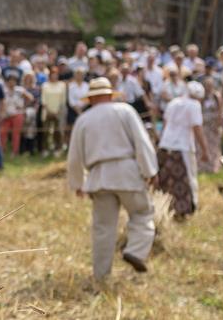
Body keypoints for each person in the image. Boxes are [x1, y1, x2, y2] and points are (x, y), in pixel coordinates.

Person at [66, 76, 157, 281]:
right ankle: (135, 251)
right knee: (142, 213)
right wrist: (150, 170)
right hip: (127, 174)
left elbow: (74, 156)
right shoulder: (125, 111)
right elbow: (142, 143)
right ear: (110, 95)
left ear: (91, 98)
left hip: (99, 177)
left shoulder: (83, 120)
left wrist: (77, 183)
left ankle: (101, 275)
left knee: (103, 228)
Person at [155, 80, 210, 220]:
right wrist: (205, 150)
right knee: (188, 178)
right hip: (183, 146)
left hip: (166, 144)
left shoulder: (173, 102)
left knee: (165, 178)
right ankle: (188, 208)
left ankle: (164, 207)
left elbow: (165, 123)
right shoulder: (194, 105)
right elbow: (197, 129)